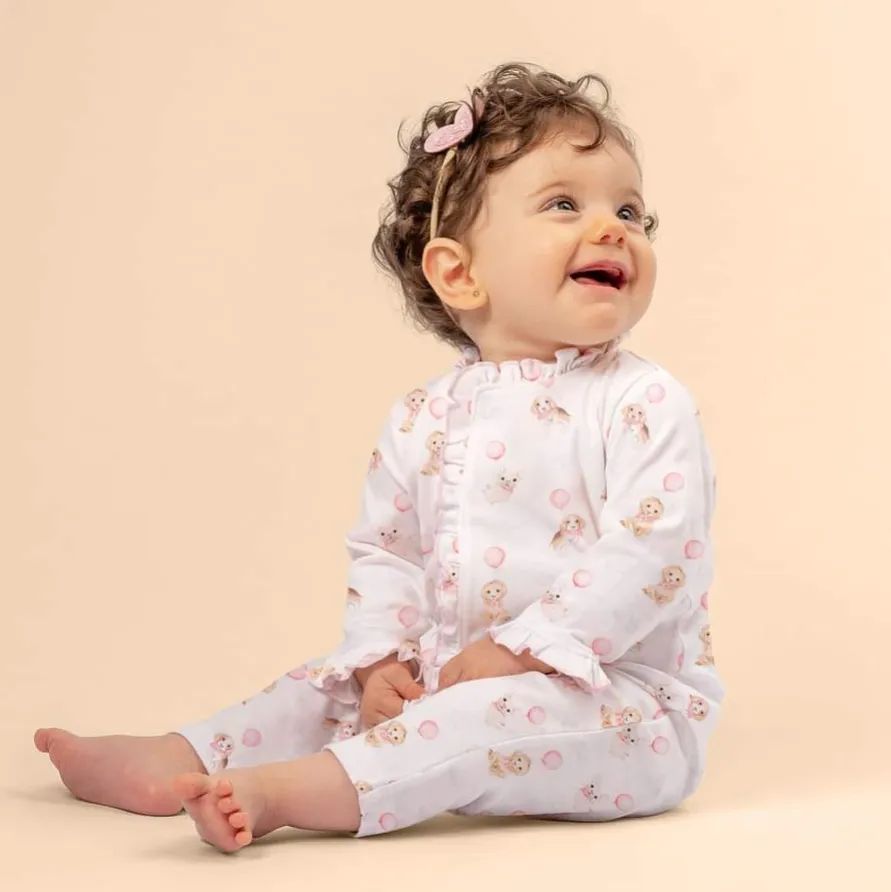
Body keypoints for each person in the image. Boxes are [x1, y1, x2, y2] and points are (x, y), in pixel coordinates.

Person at [34, 60, 724, 853]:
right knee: (316, 690)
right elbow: (386, 551)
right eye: (564, 204)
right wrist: (382, 664)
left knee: (473, 722)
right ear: (458, 273)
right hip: (453, 673)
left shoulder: (641, 402)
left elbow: (651, 553)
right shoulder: (423, 417)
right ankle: (179, 755)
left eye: (631, 211)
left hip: (619, 707)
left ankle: (288, 794)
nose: (613, 229)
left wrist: (520, 649)